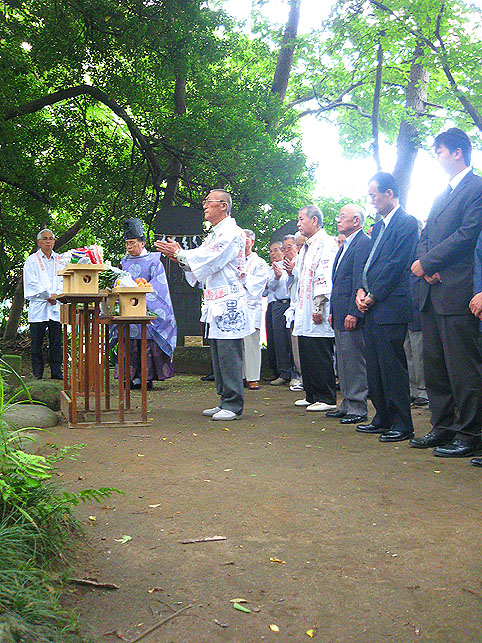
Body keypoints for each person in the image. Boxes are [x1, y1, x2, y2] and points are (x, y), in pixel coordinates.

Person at [410, 128, 482, 457]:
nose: (436, 157)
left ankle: (470, 433)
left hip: (458, 289)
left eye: (439, 151)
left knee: (463, 368)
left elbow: (468, 235)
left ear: (457, 152)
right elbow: (425, 235)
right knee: (435, 367)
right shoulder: (441, 195)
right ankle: (442, 427)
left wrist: (428, 261)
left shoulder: (476, 187)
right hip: (432, 290)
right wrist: (425, 266)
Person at [155, 189, 249, 421]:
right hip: (216, 301)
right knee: (218, 353)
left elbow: (210, 259)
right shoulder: (214, 234)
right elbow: (200, 259)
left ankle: (234, 403)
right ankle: (224, 399)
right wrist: (179, 257)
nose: (204, 205)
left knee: (229, 354)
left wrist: (180, 253)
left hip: (229, 301)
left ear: (223, 206)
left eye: (208, 201)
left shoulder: (231, 233)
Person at [355, 172, 418, 442]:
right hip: (372, 305)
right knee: (375, 366)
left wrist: (374, 294)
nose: (372, 201)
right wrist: (360, 290)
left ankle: (402, 423)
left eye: (374, 195)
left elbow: (396, 264)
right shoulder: (379, 226)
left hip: (391, 304)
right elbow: (369, 263)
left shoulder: (406, 223)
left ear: (389, 193)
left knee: (392, 365)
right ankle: (382, 416)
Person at [116, 218, 177, 390]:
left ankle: (146, 377)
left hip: (147, 307)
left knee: (146, 342)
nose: (129, 247)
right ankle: (129, 376)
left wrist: (141, 296)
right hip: (128, 308)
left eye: (132, 243)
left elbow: (159, 285)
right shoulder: (124, 261)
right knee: (129, 341)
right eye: (127, 243)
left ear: (142, 243)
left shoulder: (154, 261)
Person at [327, 203, 371, 424]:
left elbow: (359, 280)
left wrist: (354, 312)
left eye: (343, 216)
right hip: (340, 312)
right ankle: (347, 403)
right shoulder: (345, 245)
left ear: (356, 221)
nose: (338, 220)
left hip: (351, 313)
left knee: (354, 361)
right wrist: (332, 311)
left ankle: (357, 406)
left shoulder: (363, 243)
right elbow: (338, 282)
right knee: (343, 360)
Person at [292, 204, 338, 412]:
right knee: (306, 350)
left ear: (314, 220)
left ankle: (326, 397)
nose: (298, 223)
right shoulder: (307, 245)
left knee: (319, 351)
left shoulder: (326, 243)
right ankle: (311, 394)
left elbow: (324, 274)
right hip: (304, 306)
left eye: (301, 219)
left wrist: (318, 305)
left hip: (318, 306)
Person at [23, 229, 63, 380]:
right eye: (45, 239)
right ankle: (37, 372)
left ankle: (56, 372)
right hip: (39, 305)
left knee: (56, 341)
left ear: (54, 241)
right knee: (36, 342)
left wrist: (56, 295)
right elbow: (31, 282)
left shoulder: (60, 260)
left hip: (55, 305)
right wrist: (47, 296)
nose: (48, 241)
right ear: (39, 242)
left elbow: (65, 280)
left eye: (51, 239)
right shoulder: (31, 260)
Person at [242, 229, 269, 390]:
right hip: (235, 306)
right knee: (237, 344)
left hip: (251, 307)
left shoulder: (259, 263)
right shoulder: (233, 260)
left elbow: (257, 286)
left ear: (252, 242)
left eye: (245, 239)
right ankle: (240, 376)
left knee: (251, 343)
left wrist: (242, 276)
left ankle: (253, 377)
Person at [265, 239, 294, 386]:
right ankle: (283, 372)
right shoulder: (269, 269)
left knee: (291, 339)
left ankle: (295, 372)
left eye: (276, 250)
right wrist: (276, 277)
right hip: (277, 304)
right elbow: (269, 289)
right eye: (271, 251)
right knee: (279, 339)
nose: (273, 253)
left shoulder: (292, 265)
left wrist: (289, 272)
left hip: (291, 303)